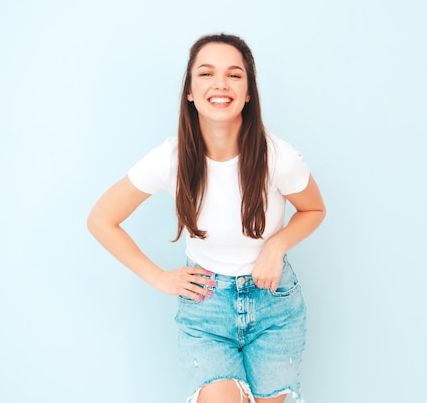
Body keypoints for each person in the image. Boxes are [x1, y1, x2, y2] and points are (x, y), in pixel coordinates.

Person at [87, 33, 326, 403]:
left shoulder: (277, 155)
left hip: (274, 307)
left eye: (234, 75)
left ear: (248, 93)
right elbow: (101, 219)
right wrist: (160, 278)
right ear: (189, 91)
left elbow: (314, 208)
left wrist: (276, 246)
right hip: (207, 308)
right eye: (206, 73)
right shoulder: (172, 158)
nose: (220, 84)